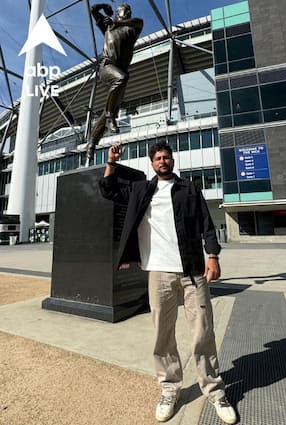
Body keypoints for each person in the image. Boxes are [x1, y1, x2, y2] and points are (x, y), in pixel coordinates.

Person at [99, 141, 238, 424]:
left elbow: (206, 224)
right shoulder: (141, 190)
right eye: (158, 158)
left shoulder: (189, 189)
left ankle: (214, 389)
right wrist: (111, 162)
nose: (163, 161)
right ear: (152, 164)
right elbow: (109, 190)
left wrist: (213, 256)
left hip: (192, 271)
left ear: (173, 161)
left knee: (203, 331)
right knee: (163, 335)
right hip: (158, 272)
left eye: (167, 157)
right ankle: (169, 389)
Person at [86, 3, 143, 163]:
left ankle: (91, 143)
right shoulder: (108, 28)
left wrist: (119, 22)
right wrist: (104, 6)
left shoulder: (133, 29)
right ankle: (111, 116)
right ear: (117, 13)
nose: (128, 12)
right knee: (121, 79)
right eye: (124, 10)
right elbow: (93, 11)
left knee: (109, 108)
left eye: (128, 10)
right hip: (107, 66)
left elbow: (138, 21)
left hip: (121, 70)